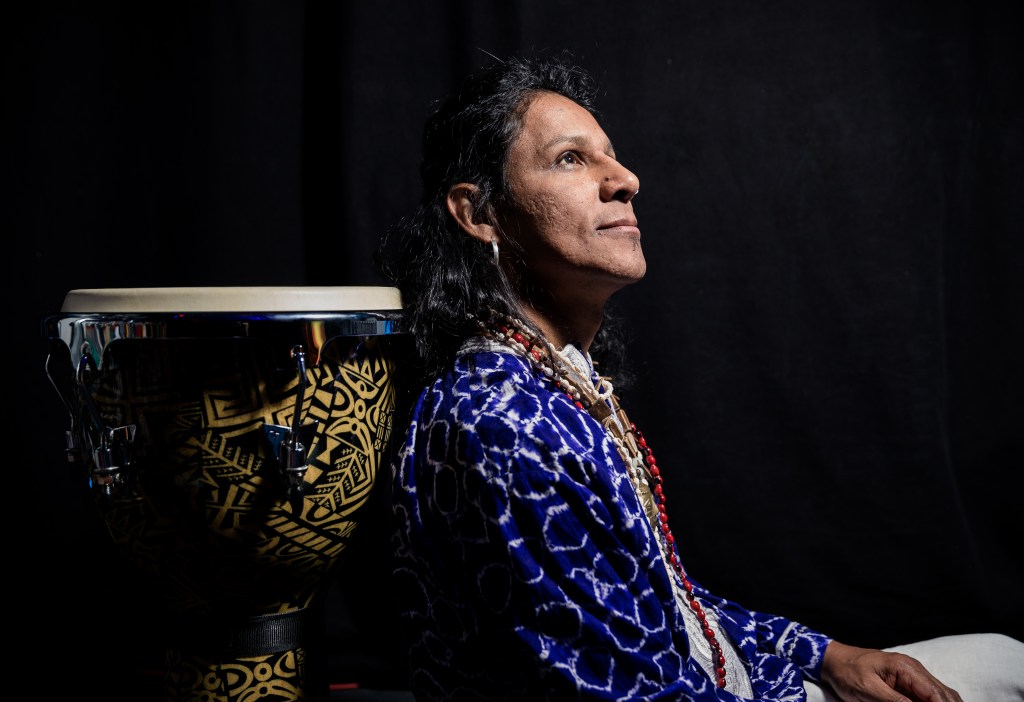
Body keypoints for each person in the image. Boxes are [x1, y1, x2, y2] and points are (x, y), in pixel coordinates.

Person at [377, 54, 1023, 701]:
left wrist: (828, 655)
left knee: (1003, 657)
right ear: (479, 213)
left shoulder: (554, 382)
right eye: (570, 159)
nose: (625, 180)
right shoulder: (502, 423)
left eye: (611, 157)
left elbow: (669, 605)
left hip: (736, 681)